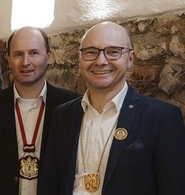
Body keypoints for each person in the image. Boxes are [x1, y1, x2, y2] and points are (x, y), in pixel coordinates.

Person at [38, 21, 185, 194]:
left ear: (130, 59)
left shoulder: (161, 118)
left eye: (113, 52)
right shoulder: (63, 115)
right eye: (91, 52)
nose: (101, 61)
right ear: (79, 59)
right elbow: (50, 184)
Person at [0, 27, 79, 195]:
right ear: (8, 59)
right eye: (18, 54)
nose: (25, 62)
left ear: (49, 56)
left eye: (34, 53)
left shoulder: (73, 106)